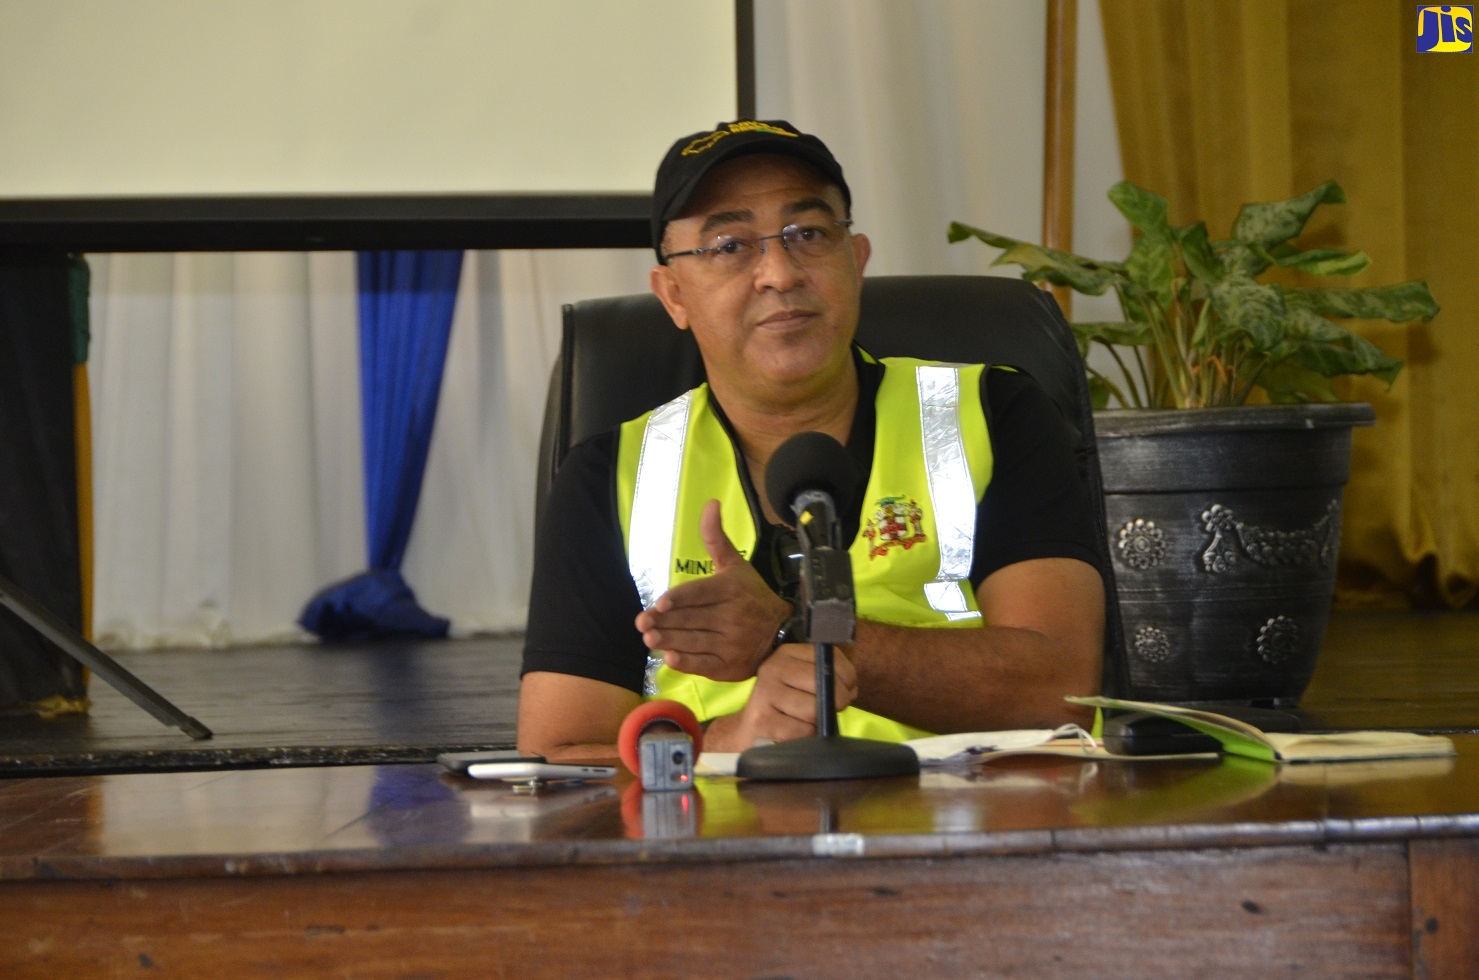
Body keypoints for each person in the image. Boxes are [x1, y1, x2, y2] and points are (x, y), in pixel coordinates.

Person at [518, 120, 1104, 761]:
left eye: (808, 234)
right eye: (729, 245)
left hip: (964, 809)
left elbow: (1061, 691)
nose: (778, 272)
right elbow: (559, 757)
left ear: (856, 261)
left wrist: (797, 633)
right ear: (674, 295)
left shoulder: (989, 416)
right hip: (720, 819)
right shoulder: (612, 475)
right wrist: (728, 743)